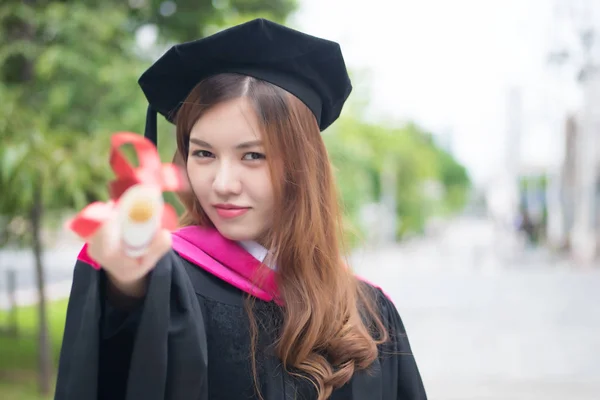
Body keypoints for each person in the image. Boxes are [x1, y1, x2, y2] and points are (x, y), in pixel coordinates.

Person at [54, 18, 427, 400]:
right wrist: (125, 284)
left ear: (303, 166)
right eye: (203, 153)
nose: (222, 184)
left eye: (253, 155)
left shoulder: (369, 310)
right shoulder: (167, 282)